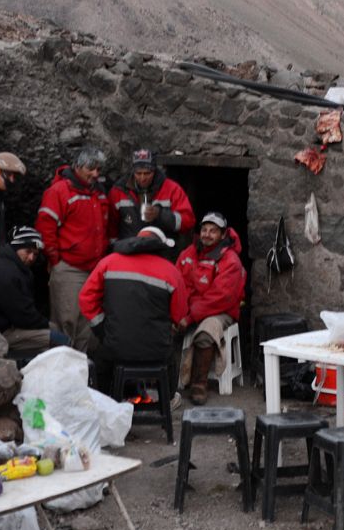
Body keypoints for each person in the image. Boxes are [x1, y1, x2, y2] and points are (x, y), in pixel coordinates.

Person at [78, 227, 189, 394]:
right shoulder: (171, 271)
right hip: (156, 350)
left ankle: (108, 399)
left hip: (115, 347)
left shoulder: (108, 262)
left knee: (101, 360)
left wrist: (102, 328)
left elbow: (86, 299)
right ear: (161, 247)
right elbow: (179, 314)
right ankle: (168, 397)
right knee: (169, 356)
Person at [34, 146, 110, 353]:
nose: (96, 174)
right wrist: (55, 259)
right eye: (91, 169)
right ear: (78, 167)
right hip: (69, 268)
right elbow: (45, 228)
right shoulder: (59, 192)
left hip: (92, 269)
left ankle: (79, 371)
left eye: (98, 169)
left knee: (86, 323)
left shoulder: (98, 193)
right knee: (65, 321)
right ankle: (60, 371)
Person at [176, 212, 246, 405]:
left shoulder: (230, 260)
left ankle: (199, 384)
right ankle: (169, 380)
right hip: (192, 310)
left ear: (223, 235)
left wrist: (190, 317)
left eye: (213, 231)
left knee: (207, 331)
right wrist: (178, 312)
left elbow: (219, 298)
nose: (207, 234)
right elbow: (178, 284)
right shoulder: (188, 254)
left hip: (221, 310)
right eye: (204, 230)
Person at [0, 225, 70, 353]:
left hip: (0, 327)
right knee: (60, 339)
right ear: (16, 248)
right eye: (27, 251)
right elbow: (24, 316)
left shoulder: (7, 264)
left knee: (54, 329)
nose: (31, 258)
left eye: (35, 254)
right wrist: (46, 325)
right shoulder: (5, 273)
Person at [109, 149, 195, 245]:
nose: (143, 178)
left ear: (154, 171)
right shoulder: (118, 191)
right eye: (138, 173)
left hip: (162, 251)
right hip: (130, 252)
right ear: (133, 171)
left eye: (147, 173)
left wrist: (160, 214)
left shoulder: (172, 189)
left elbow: (188, 221)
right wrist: (115, 249)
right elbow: (111, 227)